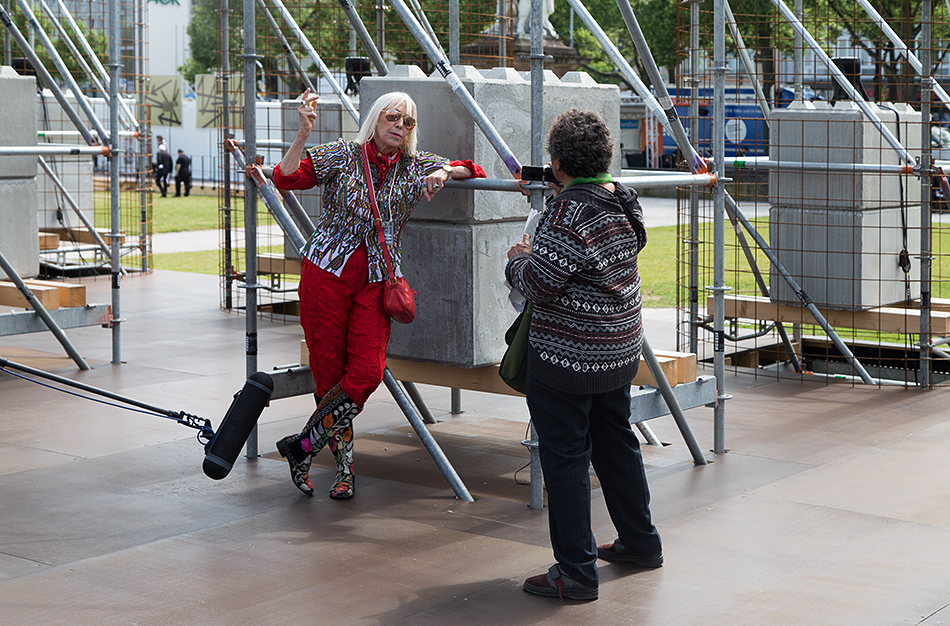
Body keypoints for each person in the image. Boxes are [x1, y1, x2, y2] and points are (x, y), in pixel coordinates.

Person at [271, 88, 485, 499]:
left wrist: (446, 171)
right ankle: (344, 470)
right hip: (326, 273)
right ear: (375, 119)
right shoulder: (342, 154)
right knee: (329, 371)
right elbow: (286, 178)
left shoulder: (415, 166)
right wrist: (302, 133)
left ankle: (303, 446)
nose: (400, 127)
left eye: (408, 123)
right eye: (392, 117)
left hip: (377, 279)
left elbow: (472, 168)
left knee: (367, 372)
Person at [505, 108, 661, 601]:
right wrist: (565, 192)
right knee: (617, 441)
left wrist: (517, 261)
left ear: (556, 162)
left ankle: (575, 571)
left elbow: (538, 282)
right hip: (617, 348)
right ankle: (641, 543)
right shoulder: (622, 199)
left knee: (566, 457)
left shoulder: (571, 212)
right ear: (605, 157)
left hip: (569, 358)